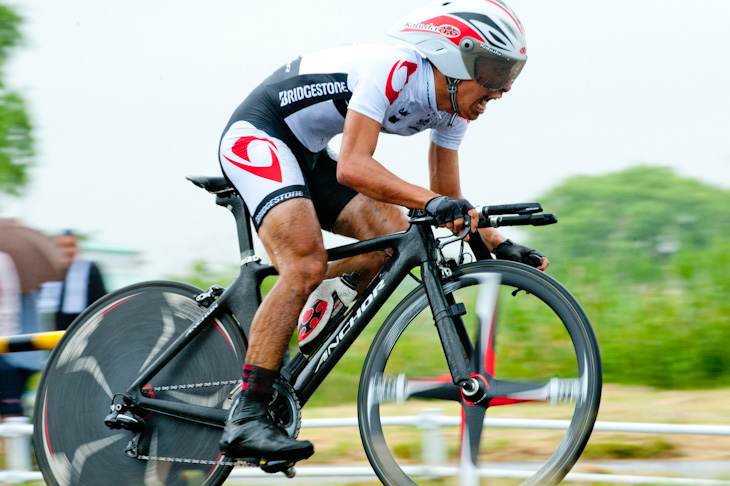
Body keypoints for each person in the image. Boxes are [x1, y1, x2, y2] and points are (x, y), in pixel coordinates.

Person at [217, 0, 548, 462]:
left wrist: (494, 244)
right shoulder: (392, 70)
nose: (500, 89)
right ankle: (246, 417)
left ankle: (326, 298)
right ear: (455, 57)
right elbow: (354, 166)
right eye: (493, 72)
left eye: (508, 76)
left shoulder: (454, 107)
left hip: (310, 154)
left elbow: (447, 196)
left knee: (395, 242)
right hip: (260, 137)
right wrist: (433, 203)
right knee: (305, 263)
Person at [37, 231, 107, 331]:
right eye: (62, 246)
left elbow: (99, 300)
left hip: (79, 327)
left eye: (71, 246)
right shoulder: (45, 270)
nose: (67, 251)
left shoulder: (89, 269)